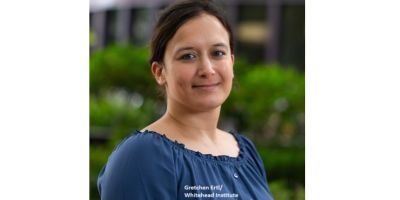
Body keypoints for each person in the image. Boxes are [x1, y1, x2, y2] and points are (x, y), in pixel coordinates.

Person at [97, 0, 274, 199]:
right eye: (188, 56)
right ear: (160, 72)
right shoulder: (142, 156)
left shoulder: (246, 152)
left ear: (231, 63)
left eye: (218, 53)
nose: (207, 69)